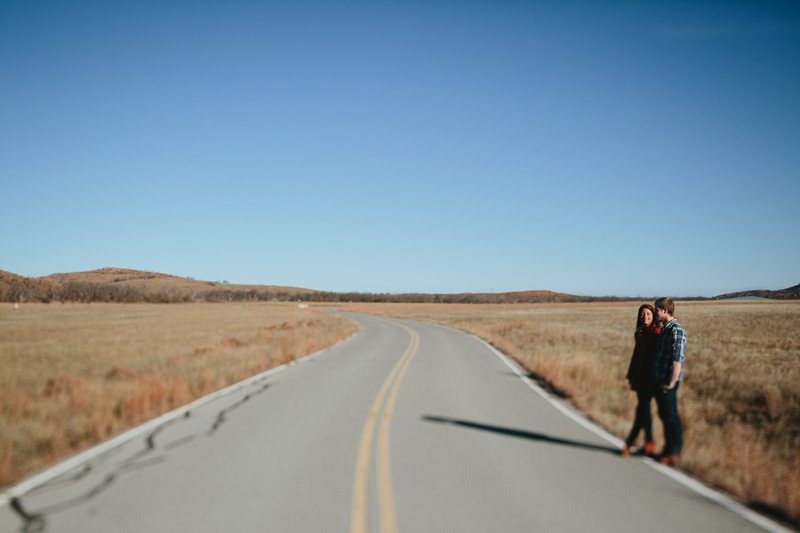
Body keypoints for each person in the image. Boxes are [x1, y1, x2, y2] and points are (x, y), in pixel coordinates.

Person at [621, 304, 660, 457]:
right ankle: (648, 443)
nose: (645, 317)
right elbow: (636, 355)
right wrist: (631, 375)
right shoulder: (639, 333)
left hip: (650, 377)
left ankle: (629, 443)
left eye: (648, 314)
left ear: (653, 315)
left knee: (641, 409)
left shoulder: (656, 332)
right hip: (639, 376)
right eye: (642, 314)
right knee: (645, 410)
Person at [651, 297, 686, 465]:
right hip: (659, 379)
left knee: (671, 416)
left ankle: (674, 452)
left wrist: (671, 383)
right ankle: (667, 450)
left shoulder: (676, 331)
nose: (654, 311)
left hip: (668, 381)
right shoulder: (665, 328)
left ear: (665, 310)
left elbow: (676, 360)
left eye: (656, 309)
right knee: (664, 416)